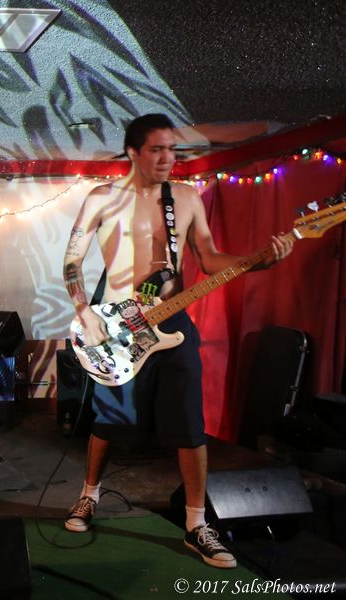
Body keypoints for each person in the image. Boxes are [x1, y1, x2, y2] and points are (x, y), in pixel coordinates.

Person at [61, 114, 293, 569]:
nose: (168, 158)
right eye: (157, 149)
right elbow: (72, 261)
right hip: (118, 325)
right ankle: (89, 495)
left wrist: (258, 260)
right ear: (133, 152)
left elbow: (209, 258)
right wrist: (83, 310)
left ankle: (196, 524)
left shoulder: (185, 198)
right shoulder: (102, 198)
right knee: (110, 419)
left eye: (173, 150)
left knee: (189, 422)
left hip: (173, 323)